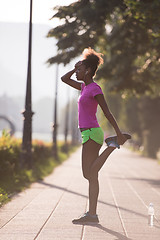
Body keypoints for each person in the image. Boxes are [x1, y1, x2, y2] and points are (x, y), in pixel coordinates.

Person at [61, 48, 128, 224]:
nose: (77, 73)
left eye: (80, 70)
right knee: (91, 175)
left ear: (88, 71)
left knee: (89, 173)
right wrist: (75, 67)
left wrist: (119, 133)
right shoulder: (84, 87)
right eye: (77, 70)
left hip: (92, 133)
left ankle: (112, 145)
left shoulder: (95, 89)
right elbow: (64, 79)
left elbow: (107, 112)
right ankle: (92, 215)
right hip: (88, 133)